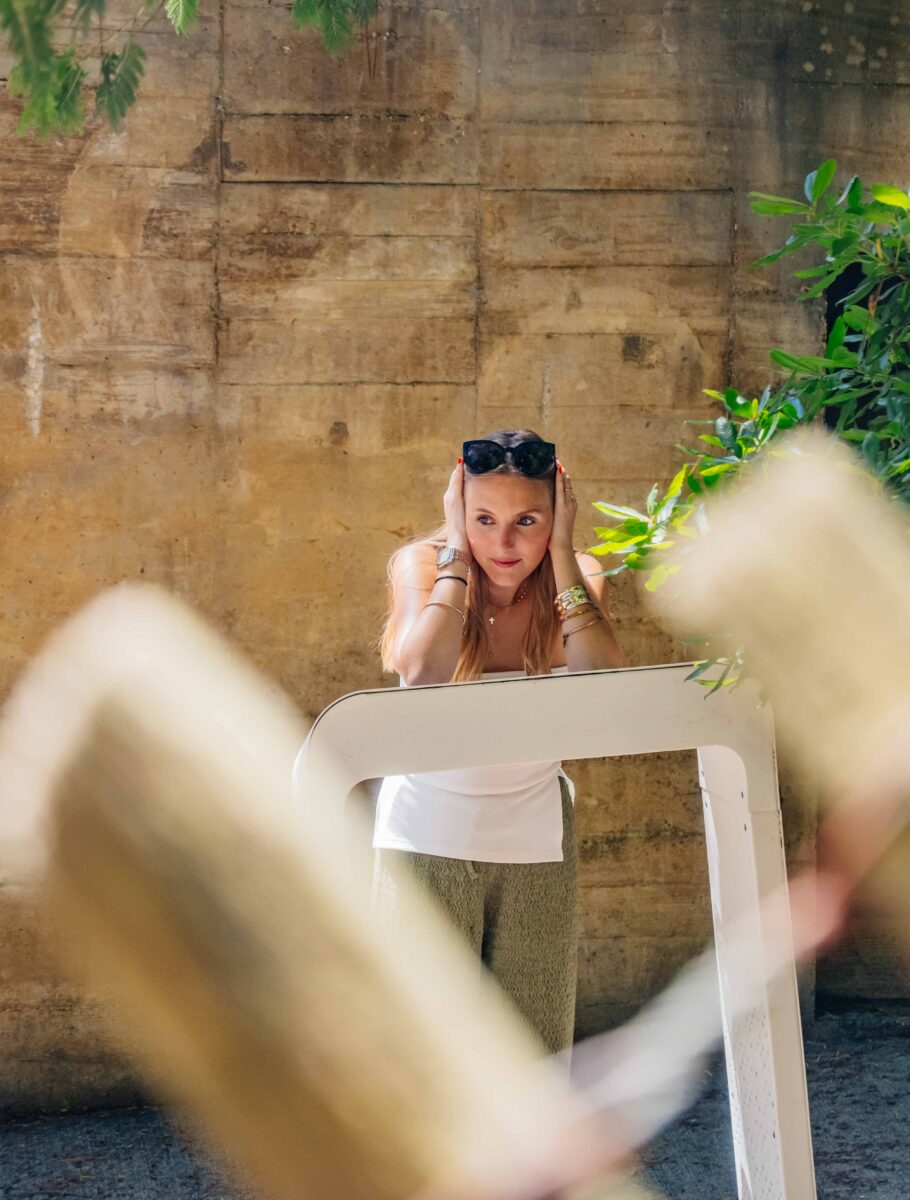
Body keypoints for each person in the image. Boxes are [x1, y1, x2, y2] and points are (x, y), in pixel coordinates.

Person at [371, 429, 624, 1055]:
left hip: (535, 839)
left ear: (558, 514)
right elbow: (420, 669)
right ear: (458, 509)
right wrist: (457, 548)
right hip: (425, 836)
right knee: (419, 1054)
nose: (504, 543)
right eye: (483, 518)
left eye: (527, 520)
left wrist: (564, 553)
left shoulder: (576, 578)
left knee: (531, 1053)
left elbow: (601, 682)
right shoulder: (423, 565)